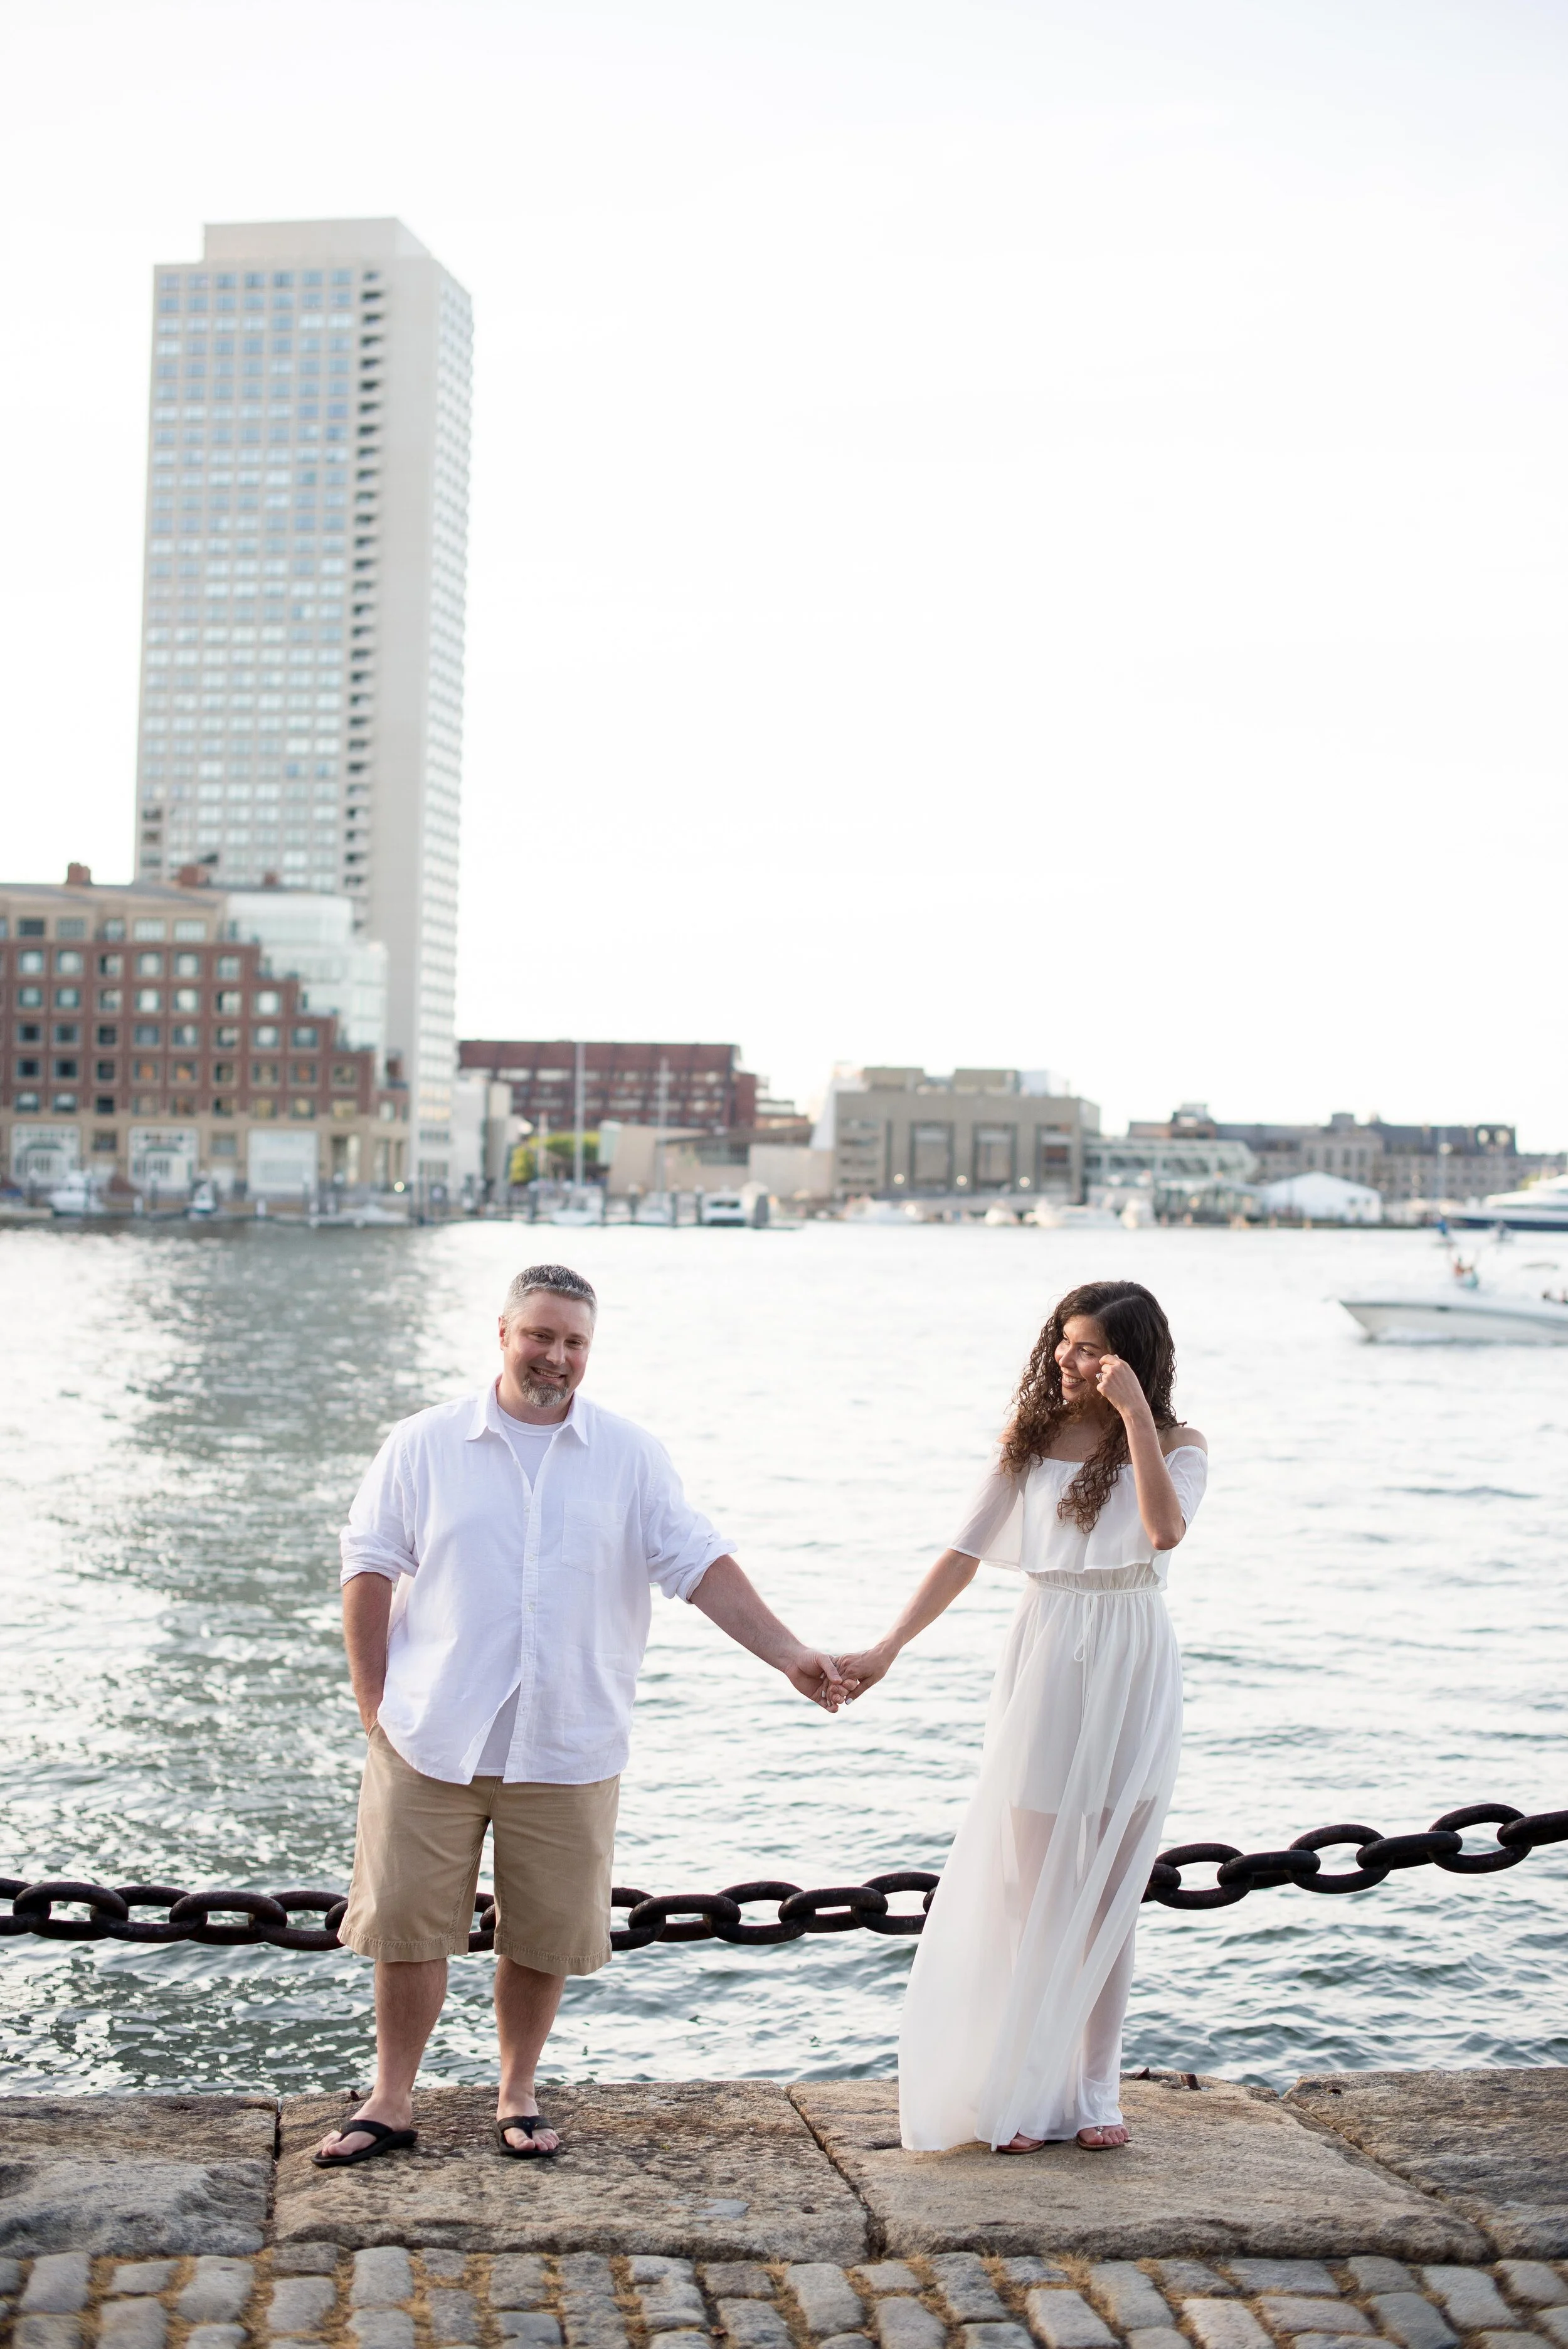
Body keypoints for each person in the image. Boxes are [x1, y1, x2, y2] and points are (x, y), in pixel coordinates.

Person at [315, 1263, 849, 2168]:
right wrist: (374, 1705)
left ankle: (516, 2091)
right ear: (503, 1334)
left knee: (543, 1932)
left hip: (568, 1738)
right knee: (407, 1925)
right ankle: (391, 2098)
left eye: (574, 1343)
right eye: (541, 1336)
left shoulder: (630, 1456)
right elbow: (367, 1565)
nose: (555, 1357)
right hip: (430, 1733)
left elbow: (698, 1563)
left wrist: (791, 1655)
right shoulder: (423, 1443)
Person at [838, 1279, 1206, 2155]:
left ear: (1132, 1357)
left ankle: (1094, 2087)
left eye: (1089, 1349)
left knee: (1111, 1892)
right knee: (1032, 1888)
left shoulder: (1181, 1443)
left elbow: (1163, 1533)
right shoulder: (1029, 1439)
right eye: (1064, 1344)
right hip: (1047, 1647)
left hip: (1132, 1651)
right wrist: (888, 1648)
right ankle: (1022, 2087)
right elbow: (962, 1554)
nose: (1068, 1362)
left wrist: (1138, 1422)